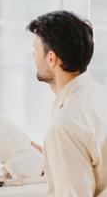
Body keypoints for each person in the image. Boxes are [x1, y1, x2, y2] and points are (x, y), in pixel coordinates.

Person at [27, 11, 107, 196]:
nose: (33, 57)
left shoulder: (64, 127)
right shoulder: (101, 94)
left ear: (51, 58)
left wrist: (61, 147)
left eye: (35, 51)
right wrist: (56, 158)